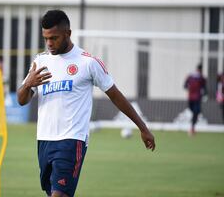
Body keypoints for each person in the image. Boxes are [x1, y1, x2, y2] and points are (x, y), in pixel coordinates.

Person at [17, 10, 155, 197]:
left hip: (72, 140)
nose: (49, 43)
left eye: (54, 38)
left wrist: (142, 127)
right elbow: (22, 100)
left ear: (68, 33)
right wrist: (28, 84)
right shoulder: (40, 61)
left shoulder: (88, 63)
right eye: (46, 38)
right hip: (44, 140)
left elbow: (115, 95)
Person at [184, 64, 207, 136]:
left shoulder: (190, 76)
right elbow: (204, 88)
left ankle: (192, 128)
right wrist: (204, 94)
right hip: (196, 98)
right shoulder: (201, 77)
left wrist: (190, 89)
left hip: (191, 97)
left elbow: (184, 85)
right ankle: (192, 126)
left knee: (195, 111)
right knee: (196, 112)